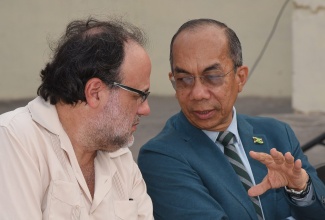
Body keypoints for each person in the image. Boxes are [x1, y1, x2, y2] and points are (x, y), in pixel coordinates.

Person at [138, 18, 325, 220]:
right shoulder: (161, 156)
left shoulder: (277, 134)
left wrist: (300, 190)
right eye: (184, 79)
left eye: (212, 76)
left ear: (240, 78)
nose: (198, 93)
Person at [0, 17, 154, 220]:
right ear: (95, 92)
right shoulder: (15, 138)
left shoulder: (120, 158)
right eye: (138, 96)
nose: (145, 109)